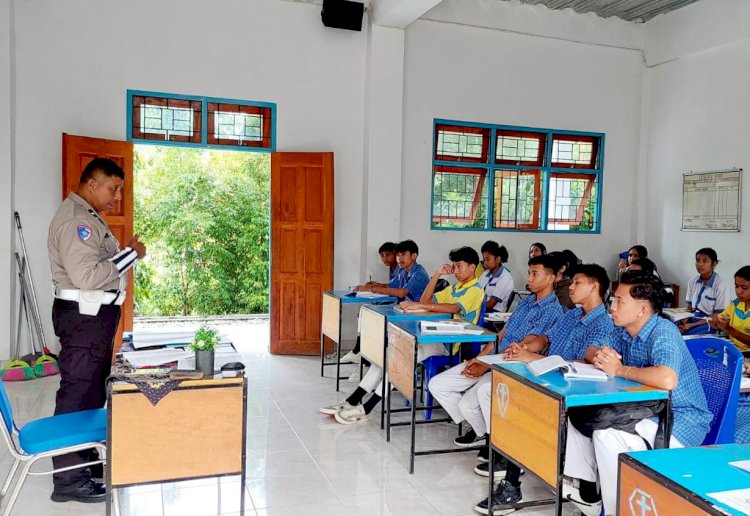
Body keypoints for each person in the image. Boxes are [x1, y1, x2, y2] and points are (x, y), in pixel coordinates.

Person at [563, 272, 711, 516]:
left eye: (620, 301)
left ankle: (613, 507)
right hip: (642, 411)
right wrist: (601, 357)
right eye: (614, 300)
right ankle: (587, 492)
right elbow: (590, 348)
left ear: (642, 310)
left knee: (605, 435)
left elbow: (667, 378)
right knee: (582, 417)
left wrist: (619, 369)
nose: (612, 306)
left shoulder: (663, 331)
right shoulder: (624, 331)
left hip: (678, 420)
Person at [473, 264, 614, 514]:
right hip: (550, 378)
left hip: (576, 392)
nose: (570, 287)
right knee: (504, 398)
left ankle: (513, 483)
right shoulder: (571, 315)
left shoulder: (604, 323)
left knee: (523, 412)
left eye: (577, 283)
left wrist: (532, 358)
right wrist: (526, 351)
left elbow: (580, 364)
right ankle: (510, 465)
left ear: (594, 287)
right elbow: (550, 346)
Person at [47, 158, 146, 503]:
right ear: (91, 184)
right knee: (78, 393)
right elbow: (88, 276)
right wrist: (131, 255)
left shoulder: (87, 216)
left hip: (93, 318)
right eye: (113, 188)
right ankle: (69, 479)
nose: (118, 196)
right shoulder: (77, 221)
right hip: (84, 318)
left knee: (91, 392)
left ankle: (85, 465)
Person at [321, 245, 480, 424]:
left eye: (460, 266)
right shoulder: (456, 288)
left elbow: (454, 308)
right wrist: (436, 275)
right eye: (454, 266)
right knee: (389, 356)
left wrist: (421, 307)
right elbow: (425, 300)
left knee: (400, 359)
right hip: (433, 338)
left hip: (450, 345)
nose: (456, 271)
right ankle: (353, 400)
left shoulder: (475, 290)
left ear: (472, 267)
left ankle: (366, 407)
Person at [428, 255, 563, 450]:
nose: (529, 278)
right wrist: (479, 359)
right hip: (494, 359)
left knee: (471, 401)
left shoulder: (552, 310)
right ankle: (481, 431)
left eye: (535, 274)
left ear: (551, 278)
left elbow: (523, 348)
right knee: (438, 384)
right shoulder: (525, 303)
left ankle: (495, 442)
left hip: (514, 367)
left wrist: (484, 366)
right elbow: (501, 335)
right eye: (529, 273)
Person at [340, 240, 428, 366]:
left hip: (415, 314)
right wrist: (373, 284)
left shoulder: (418, 273)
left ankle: (369, 361)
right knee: (367, 313)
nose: (399, 258)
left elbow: (401, 293)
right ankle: (363, 356)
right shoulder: (404, 271)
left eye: (403, 254)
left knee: (376, 322)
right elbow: (390, 285)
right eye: (398, 255)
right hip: (402, 310)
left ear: (413, 256)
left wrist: (372, 289)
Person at [678, 248, 732, 335]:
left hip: (710, 322)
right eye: (698, 260)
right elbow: (689, 308)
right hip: (693, 317)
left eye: (704, 261)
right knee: (671, 328)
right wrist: (683, 322)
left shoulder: (721, 285)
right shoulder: (693, 281)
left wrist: (691, 325)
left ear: (714, 264)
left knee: (691, 336)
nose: (700, 264)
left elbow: (718, 316)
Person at [709, 265, 750, 351]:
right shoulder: (736, 304)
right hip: (734, 348)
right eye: (736, 286)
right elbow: (722, 319)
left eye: (744, 288)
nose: (738, 291)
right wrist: (717, 323)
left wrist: (728, 328)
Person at [478, 241, 514, 314]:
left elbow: (491, 304)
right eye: (484, 259)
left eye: (488, 259)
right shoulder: (485, 274)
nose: (485, 263)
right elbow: (476, 293)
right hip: (481, 309)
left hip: (494, 314)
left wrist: (473, 306)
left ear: (498, 260)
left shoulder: (505, 277)